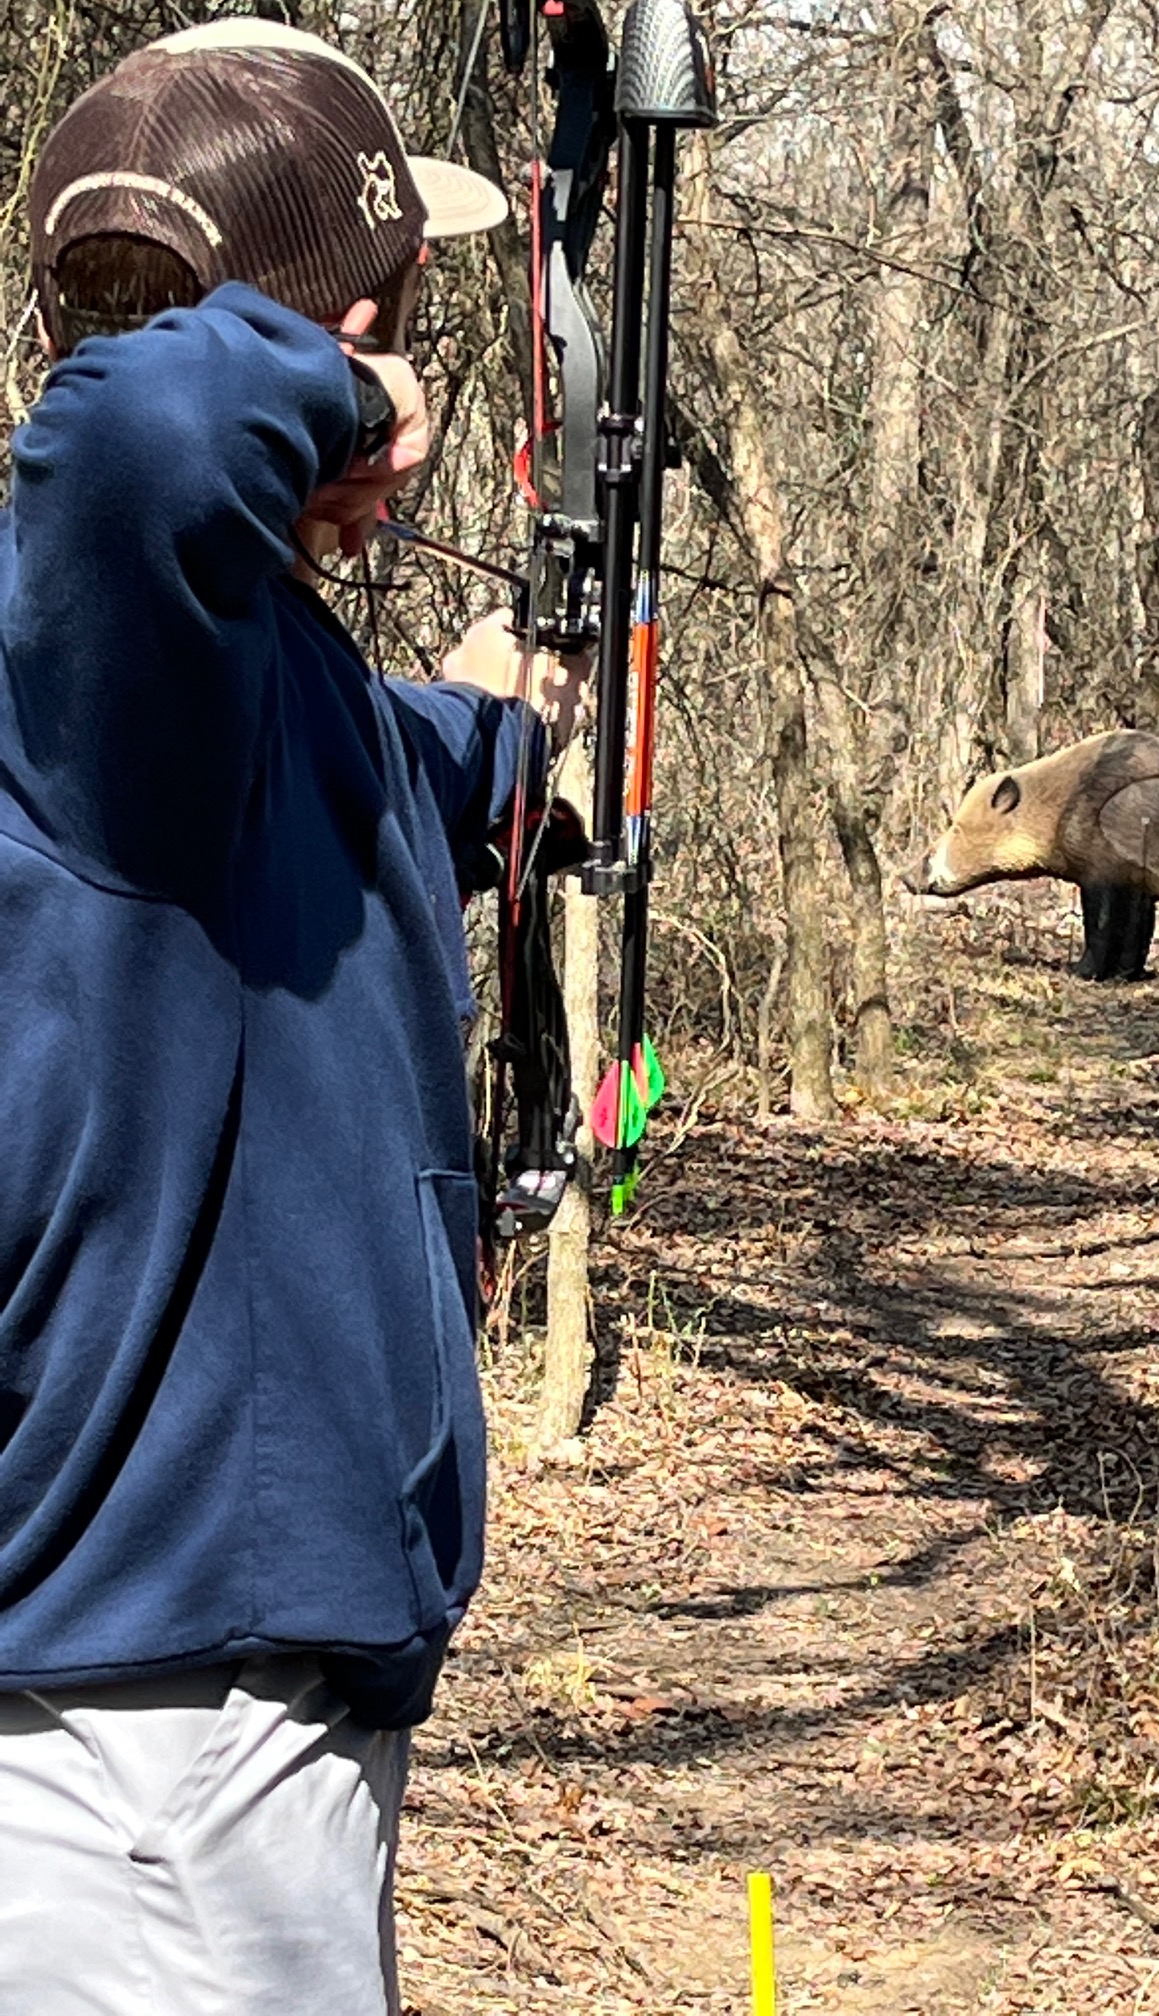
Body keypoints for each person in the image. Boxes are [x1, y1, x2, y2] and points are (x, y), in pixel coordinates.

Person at [0, 20, 583, 2013]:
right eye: (384, 312)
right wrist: (343, 385)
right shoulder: (99, 636)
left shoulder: (210, 678)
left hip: (224, 1711)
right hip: (165, 1734)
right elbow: (125, 439)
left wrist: (510, 739)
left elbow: (362, 771)